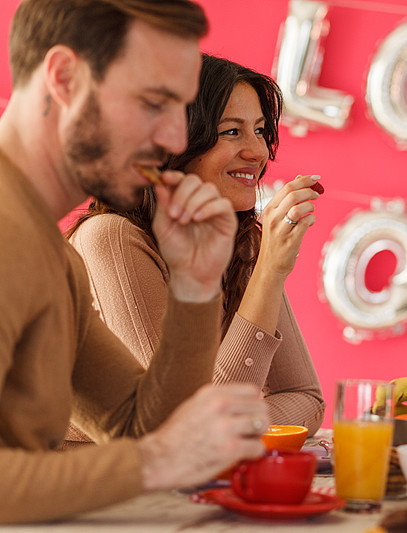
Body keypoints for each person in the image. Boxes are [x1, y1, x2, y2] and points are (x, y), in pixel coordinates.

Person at [0, 0, 269, 524]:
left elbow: (140, 429)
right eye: (153, 103)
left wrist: (195, 286)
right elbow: (154, 452)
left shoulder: (47, 251)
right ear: (64, 77)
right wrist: (157, 460)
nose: (173, 138)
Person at [64, 54, 326, 445]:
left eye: (258, 130)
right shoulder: (111, 239)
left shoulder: (242, 245)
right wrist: (270, 269)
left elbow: (305, 398)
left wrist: (232, 427)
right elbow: (181, 429)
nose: (257, 152)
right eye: (231, 132)